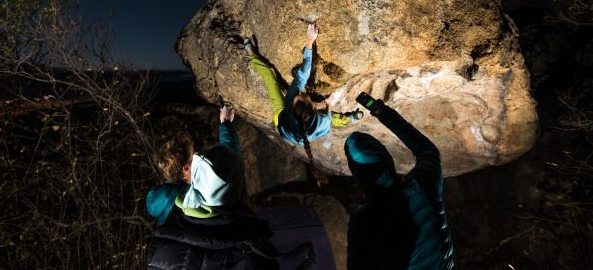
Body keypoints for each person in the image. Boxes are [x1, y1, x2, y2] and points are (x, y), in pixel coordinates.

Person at [146, 106, 314, 269]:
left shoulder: (169, 199)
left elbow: (152, 202)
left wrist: (172, 183)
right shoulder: (218, 189)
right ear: (185, 169)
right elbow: (228, 161)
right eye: (193, 154)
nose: (197, 155)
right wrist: (225, 125)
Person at [344, 95, 456, 270]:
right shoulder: (422, 185)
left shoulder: (363, 220)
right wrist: (382, 112)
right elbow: (427, 150)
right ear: (388, 160)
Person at [244, 23, 362, 185]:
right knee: (332, 119)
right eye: (301, 95)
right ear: (313, 109)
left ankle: (251, 53)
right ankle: (350, 118)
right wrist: (329, 104)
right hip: (296, 127)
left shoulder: (290, 103)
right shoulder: (320, 121)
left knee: (270, 75)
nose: (299, 92)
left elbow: (303, 73)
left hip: (281, 121)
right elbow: (325, 112)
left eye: (298, 95)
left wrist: (309, 41)